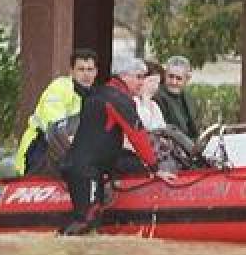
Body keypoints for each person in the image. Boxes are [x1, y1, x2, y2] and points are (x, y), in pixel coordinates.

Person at [59, 60, 172, 235]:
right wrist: (155, 168)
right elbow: (137, 135)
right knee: (87, 220)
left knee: (91, 223)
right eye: (139, 77)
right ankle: (62, 248)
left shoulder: (103, 93)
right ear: (124, 76)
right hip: (86, 170)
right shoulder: (117, 99)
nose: (143, 83)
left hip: (88, 165)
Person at [13, 48, 98, 176]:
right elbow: (56, 130)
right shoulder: (60, 87)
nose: (86, 74)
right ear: (71, 71)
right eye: (81, 69)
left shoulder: (93, 96)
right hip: (39, 150)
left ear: (96, 72)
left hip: (66, 155)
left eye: (90, 70)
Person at [154, 55, 200, 141]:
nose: (174, 82)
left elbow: (196, 130)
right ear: (165, 75)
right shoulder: (157, 97)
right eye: (171, 76)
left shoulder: (190, 99)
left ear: (187, 79)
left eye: (178, 78)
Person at [137, 61, 167, 131]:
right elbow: (144, 125)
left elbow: (162, 128)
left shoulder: (154, 105)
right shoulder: (132, 101)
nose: (155, 86)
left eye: (157, 83)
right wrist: (146, 98)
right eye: (151, 81)